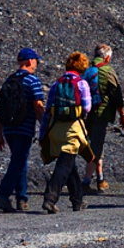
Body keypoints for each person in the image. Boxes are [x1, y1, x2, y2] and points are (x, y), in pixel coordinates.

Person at [39, 52, 95, 214]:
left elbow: (47, 111)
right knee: (64, 164)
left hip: (56, 129)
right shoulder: (82, 84)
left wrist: (43, 134)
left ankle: (78, 200)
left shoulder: (57, 84)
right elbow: (86, 108)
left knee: (70, 165)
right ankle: (50, 198)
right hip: (73, 129)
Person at [0, 48, 46, 212]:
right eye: (36, 61)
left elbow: (1, 108)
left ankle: (22, 199)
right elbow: (38, 106)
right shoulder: (33, 80)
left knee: (20, 160)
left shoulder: (9, 80)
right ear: (30, 61)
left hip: (8, 128)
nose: (36, 64)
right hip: (24, 127)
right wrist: (44, 126)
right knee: (18, 162)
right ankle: (3, 195)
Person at [81, 44, 124, 194]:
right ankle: (86, 181)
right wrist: (122, 114)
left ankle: (100, 179)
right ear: (107, 57)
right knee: (97, 146)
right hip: (101, 114)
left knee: (94, 144)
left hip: (86, 113)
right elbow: (116, 94)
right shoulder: (107, 71)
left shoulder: (85, 70)